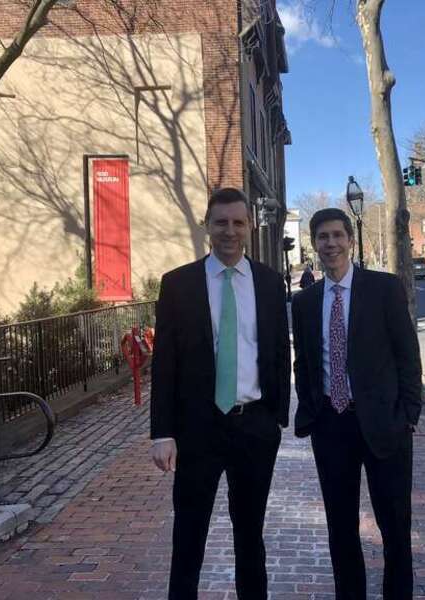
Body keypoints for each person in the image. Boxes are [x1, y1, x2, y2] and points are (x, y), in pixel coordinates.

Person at [150, 187, 290, 600]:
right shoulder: (178, 285)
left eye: (238, 222)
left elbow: (279, 351)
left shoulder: (268, 282)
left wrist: (275, 419)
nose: (230, 231)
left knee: (251, 537)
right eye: (221, 222)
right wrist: (162, 433)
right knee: (188, 536)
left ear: (249, 226)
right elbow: (165, 364)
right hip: (198, 431)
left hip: (254, 429)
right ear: (207, 225)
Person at [290, 208, 422, 600]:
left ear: (350, 239)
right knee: (341, 528)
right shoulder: (305, 302)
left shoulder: (384, 289)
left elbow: (407, 355)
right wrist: (311, 411)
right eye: (322, 237)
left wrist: (409, 416)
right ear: (313, 244)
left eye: (336, 235)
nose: (330, 244)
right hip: (332, 427)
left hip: (385, 426)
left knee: (395, 525)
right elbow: (305, 362)